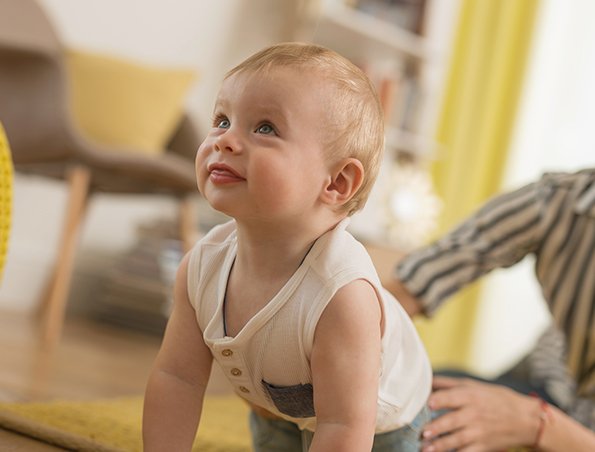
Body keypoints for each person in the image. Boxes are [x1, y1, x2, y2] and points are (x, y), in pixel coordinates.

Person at [142, 42, 433, 452]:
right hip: (278, 405)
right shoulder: (201, 266)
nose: (225, 140)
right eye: (222, 120)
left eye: (265, 128)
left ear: (336, 183)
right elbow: (178, 377)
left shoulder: (342, 295)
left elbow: (344, 424)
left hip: (381, 427)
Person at [385, 168, 595, 451]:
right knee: (413, 410)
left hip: (561, 421)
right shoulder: (558, 199)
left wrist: (536, 423)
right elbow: (416, 283)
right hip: (547, 382)